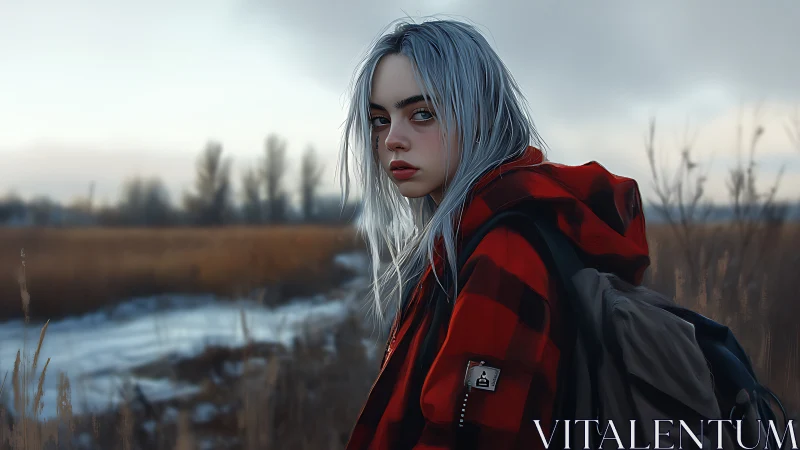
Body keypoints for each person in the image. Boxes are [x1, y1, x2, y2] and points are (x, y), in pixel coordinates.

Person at [337, 17, 651, 450]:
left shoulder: (507, 249)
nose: (393, 139)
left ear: (478, 112)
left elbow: (473, 436)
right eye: (379, 119)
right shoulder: (463, 240)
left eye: (421, 114)